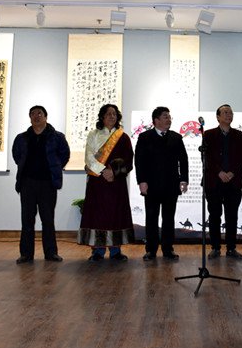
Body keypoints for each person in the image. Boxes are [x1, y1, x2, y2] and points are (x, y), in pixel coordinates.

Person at [12, 105, 70, 264]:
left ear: (45, 116)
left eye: (39, 113)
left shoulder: (57, 137)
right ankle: (26, 254)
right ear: (29, 117)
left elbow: (64, 155)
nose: (36, 116)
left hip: (47, 183)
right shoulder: (22, 138)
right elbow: (17, 156)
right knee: (27, 219)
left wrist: (54, 167)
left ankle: (51, 253)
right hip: (27, 183)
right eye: (33, 114)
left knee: (48, 219)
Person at [78, 104, 135, 261]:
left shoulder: (123, 137)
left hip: (116, 183)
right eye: (108, 114)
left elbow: (129, 159)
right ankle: (98, 250)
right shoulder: (93, 135)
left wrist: (114, 173)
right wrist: (103, 171)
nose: (111, 116)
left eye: (114, 114)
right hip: (98, 182)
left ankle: (116, 250)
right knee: (98, 215)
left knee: (116, 214)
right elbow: (89, 157)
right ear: (102, 116)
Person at [135, 107, 189, 261]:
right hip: (151, 185)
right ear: (156, 120)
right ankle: (151, 250)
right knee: (151, 217)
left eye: (169, 117)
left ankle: (168, 249)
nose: (169, 119)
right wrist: (142, 181)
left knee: (169, 218)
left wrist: (184, 179)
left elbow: (183, 160)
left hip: (171, 185)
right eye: (165, 117)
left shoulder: (176, 137)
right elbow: (139, 161)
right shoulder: (145, 137)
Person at [204, 104, 242, 259]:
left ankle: (231, 248)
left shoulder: (239, 135)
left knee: (232, 216)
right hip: (214, 182)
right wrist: (219, 172)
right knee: (214, 216)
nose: (229, 115)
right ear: (218, 117)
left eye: (231, 113)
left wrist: (232, 172)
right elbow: (206, 157)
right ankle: (215, 247)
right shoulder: (208, 134)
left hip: (233, 182)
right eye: (226, 112)